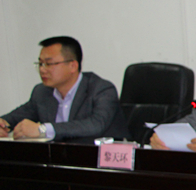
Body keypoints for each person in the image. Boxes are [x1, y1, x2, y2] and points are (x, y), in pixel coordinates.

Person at [1, 36, 130, 143]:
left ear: (73, 66)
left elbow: (95, 125)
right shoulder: (42, 92)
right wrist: (3, 124)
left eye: (48, 64)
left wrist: (43, 130)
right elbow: (16, 117)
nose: (42, 69)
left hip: (98, 160)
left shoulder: (101, 89)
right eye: (40, 63)